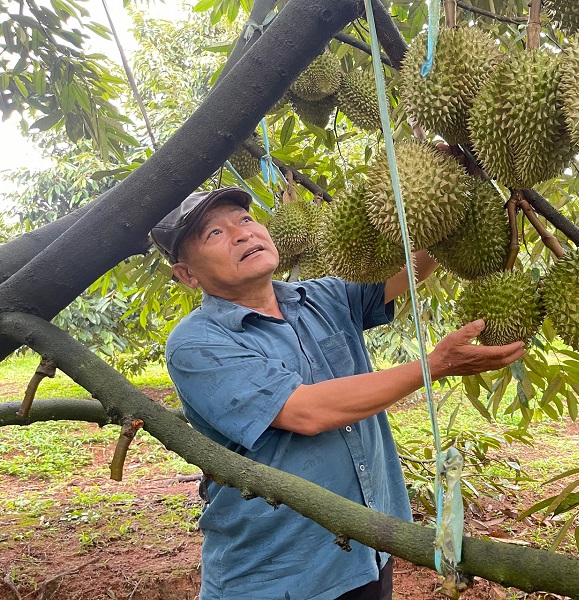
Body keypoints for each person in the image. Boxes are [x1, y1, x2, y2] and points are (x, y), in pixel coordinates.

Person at [150, 186, 526, 600]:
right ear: (187, 274)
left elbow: (415, 264)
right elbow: (305, 411)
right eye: (214, 234)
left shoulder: (324, 296)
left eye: (244, 219)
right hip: (277, 574)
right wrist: (434, 366)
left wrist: (449, 188)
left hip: (368, 551)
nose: (243, 234)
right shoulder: (196, 343)